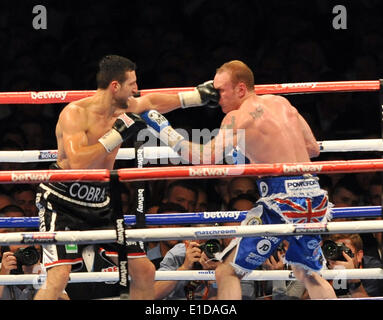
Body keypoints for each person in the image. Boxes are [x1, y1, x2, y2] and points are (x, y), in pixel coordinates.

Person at [143, 60, 336, 299]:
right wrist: (255, 150)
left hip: (281, 200)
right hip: (314, 196)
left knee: (227, 271)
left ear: (241, 89)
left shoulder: (237, 116)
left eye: (220, 91)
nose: (215, 97)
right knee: (308, 273)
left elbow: (205, 158)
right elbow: (313, 147)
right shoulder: (281, 102)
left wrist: (164, 130)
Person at [33, 54, 220, 300]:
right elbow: (78, 162)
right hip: (62, 200)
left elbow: (156, 101)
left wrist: (198, 96)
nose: (136, 89)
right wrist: (116, 135)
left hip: (100, 203)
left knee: (143, 271)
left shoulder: (127, 107)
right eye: (131, 84)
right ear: (115, 86)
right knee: (59, 276)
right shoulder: (75, 113)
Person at [324, 233, 383, 298]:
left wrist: (352, 277)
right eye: (337, 252)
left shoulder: (373, 270)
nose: (340, 258)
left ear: (359, 255)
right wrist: (330, 280)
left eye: (346, 252)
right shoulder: (325, 267)